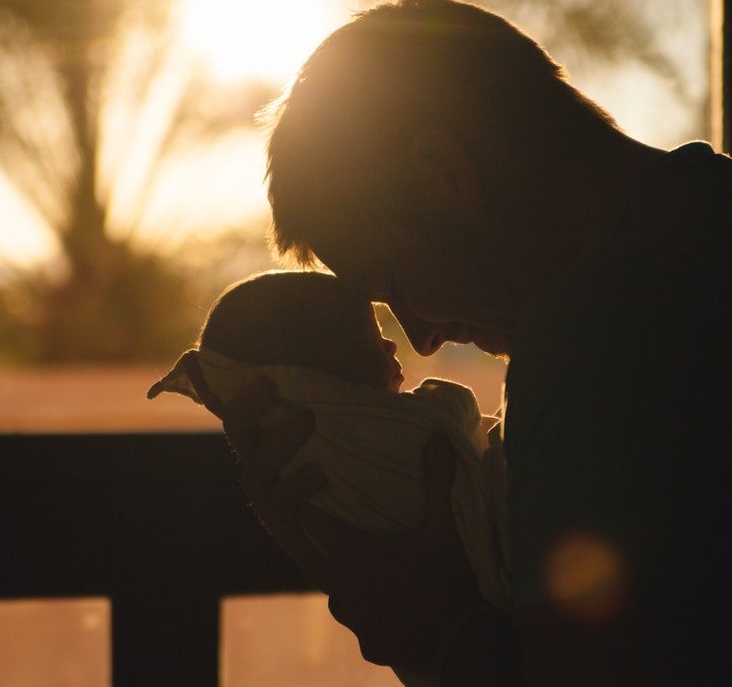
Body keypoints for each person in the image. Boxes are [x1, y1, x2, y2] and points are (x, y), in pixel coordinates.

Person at [198, 0, 732, 685]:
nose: (421, 339)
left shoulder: (595, 338)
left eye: (395, 285)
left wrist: (424, 625)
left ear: (446, 172)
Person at [148, 271, 510, 687]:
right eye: (365, 336)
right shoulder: (360, 439)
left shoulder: (304, 459)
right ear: (311, 382)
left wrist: (457, 640)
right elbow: (454, 424)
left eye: (399, 279)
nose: (405, 340)